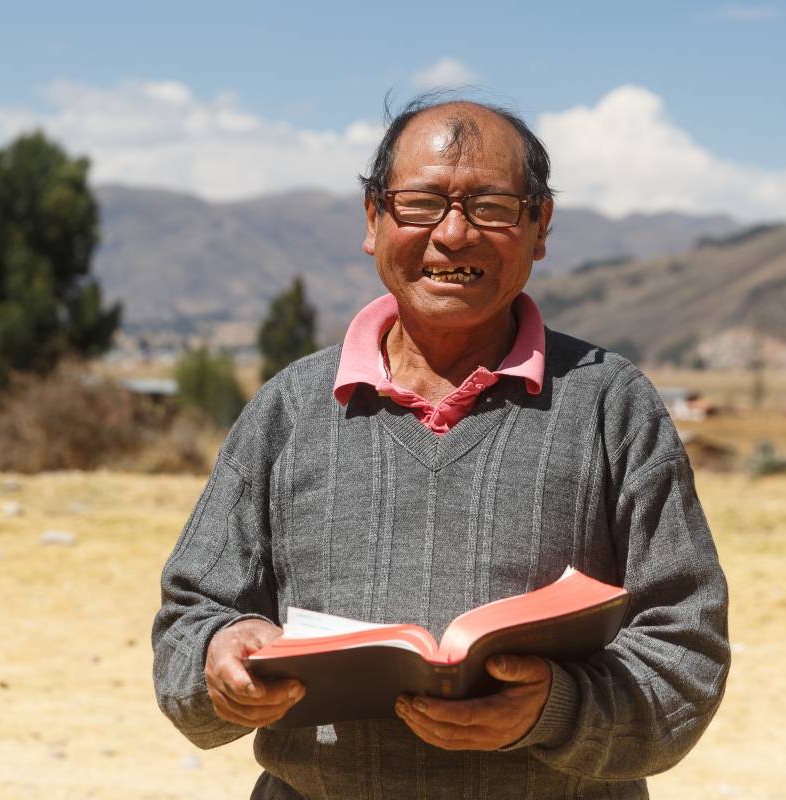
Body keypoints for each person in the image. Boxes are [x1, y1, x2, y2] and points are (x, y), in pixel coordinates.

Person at [152, 95, 729, 799]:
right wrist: (221, 658)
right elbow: (190, 619)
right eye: (421, 204)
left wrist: (554, 707)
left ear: (539, 225)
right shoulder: (290, 408)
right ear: (373, 219)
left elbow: (686, 653)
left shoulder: (612, 405)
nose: (453, 236)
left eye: (490, 206)